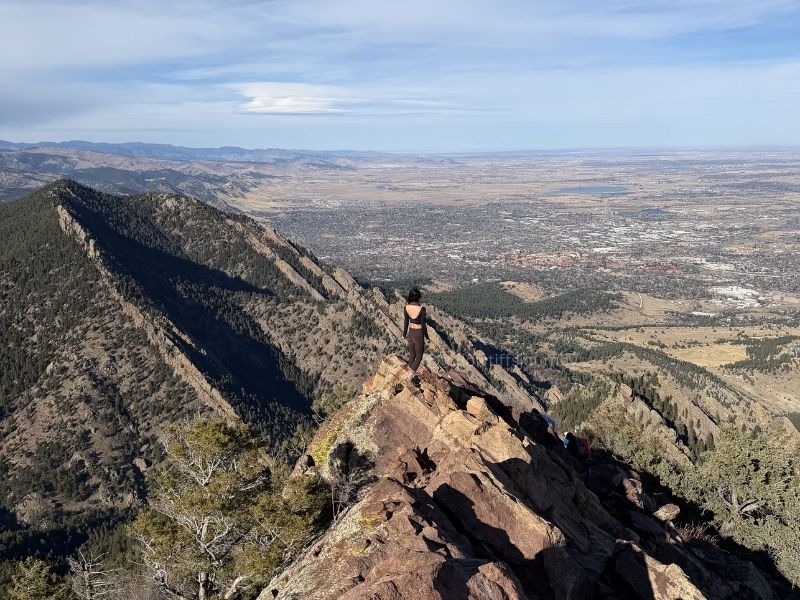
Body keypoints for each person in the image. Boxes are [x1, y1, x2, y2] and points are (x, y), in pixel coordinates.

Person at [402, 287, 429, 376]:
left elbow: (406, 321)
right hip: (418, 333)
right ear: (418, 297)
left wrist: (404, 334)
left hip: (410, 332)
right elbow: (423, 325)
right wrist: (427, 337)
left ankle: (409, 372)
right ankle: (409, 376)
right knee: (419, 357)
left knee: (412, 355)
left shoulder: (406, 307)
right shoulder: (422, 309)